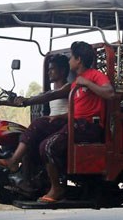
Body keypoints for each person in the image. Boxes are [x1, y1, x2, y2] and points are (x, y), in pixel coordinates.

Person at [39, 41, 114, 202]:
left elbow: (109, 93)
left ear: (78, 59)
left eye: (71, 57)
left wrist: (87, 83)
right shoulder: (76, 81)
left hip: (88, 126)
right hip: (76, 124)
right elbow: (74, 109)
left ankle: (57, 188)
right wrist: (58, 117)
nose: (69, 61)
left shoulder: (94, 75)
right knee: (44, 141)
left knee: (48, 146)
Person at [0, 54, 72, 179]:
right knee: (22, 136)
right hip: (52, 123)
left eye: (52, 69)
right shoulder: (51, 91)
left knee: (37, 124)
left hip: (62, 123)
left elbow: (48, 97)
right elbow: (35, 99)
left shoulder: (68, 87)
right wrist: (1, 102)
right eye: (48, 69)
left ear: (62, 71)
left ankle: (13, 161)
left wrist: (26, 101)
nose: (49, 72)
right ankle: (26, 182)